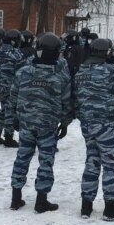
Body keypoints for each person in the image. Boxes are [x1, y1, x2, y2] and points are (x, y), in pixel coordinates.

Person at [9, 33, 73, 212]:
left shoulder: (23, 72)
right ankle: (41, 200)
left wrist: (14, 118)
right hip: (48, 125)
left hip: (26, 124)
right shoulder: (61, 76)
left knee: (22, 158)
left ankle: (16, 197)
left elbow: (12, 98)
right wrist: (65, 123)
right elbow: (67, 103)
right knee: (46, 161)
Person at [74, 39, 114, 220]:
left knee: (92, 161)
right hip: (106, 124)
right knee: (110, 163)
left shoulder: (80, 72)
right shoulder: (111, 71)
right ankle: (110, 206)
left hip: (86, 124)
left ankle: (86, 205)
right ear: (107, 52)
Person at [0, 30, 25, 149]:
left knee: (4, 109)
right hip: (12, 87)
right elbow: (22, 72)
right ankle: (9, 137)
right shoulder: (16, 54)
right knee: (10, 111)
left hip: (0, 87)